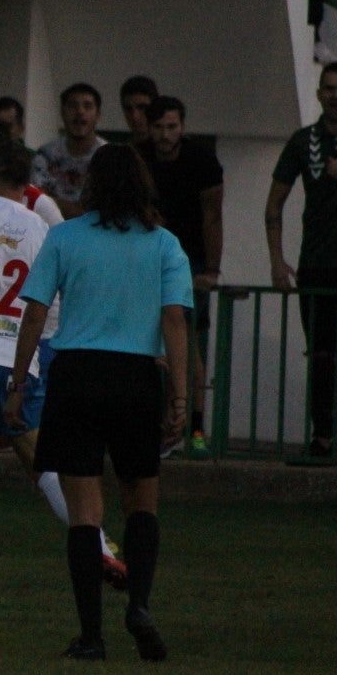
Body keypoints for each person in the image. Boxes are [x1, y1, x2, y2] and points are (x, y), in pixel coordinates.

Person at [6, 143, 191, 662]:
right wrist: (180, 397)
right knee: (142, 501)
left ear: (93, 185)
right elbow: (175, 320)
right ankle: (140, 606)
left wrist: (18, 384)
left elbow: (35, 313)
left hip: (76, 375)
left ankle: (91, 636)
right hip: (136, 376)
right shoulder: (164, 244)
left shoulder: (65, 237)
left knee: (85, 512)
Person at [0, 128, 123, 583]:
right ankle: (92, 542)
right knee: (31, 452)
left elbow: (53, 279)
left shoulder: (35, 209)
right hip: (14, 346)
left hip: (6, 341)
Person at [265, 61, 337, 470]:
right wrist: (276, 261)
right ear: (319, 94)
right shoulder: (303, 140)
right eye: (330, 88)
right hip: (316, 265)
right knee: (320, 355)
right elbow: (273, 205)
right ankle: (322, 440)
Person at [141, 96, 223, 460]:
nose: (165, 134)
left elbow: (212, 215)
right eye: (159, 127)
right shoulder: (138, 157)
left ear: (183, 126)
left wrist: (211, 269)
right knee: (153, 345)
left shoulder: (202, 161)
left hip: (190, 262)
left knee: (188, 345)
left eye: (171, 127)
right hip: (147, 260)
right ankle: (159, 427)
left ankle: (195, 429)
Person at [33, 83, 107, 220]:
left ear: (98, 115)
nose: (80, 111)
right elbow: (37, 199)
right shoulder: (46, 154)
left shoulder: (108, 156)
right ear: (62, 112)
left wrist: (54, 202)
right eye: (73, 106)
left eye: (87, 106)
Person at [119, 76, 159, 147]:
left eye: (142, 108)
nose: (135, 116)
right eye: (128, 109)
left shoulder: (174, 150)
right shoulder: (118, 151)